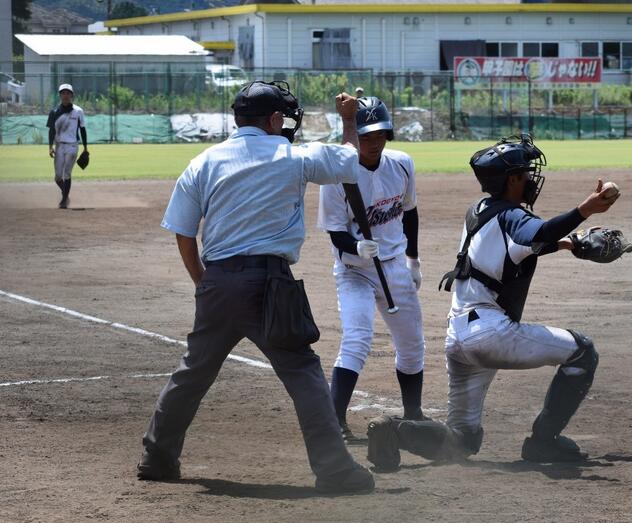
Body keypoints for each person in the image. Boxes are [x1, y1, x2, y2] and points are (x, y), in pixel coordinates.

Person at [137, 81, 374, 494]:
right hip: (270, 283)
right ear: (274, 119)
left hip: (218, 281)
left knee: (193, 372)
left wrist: (203, 282)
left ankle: (157, 458)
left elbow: (183, 232)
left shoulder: (204, 161)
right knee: (301, 370)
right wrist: (349, 120)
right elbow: (350, 160)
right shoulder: (293, 155)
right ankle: (335, 470)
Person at [366, 134, 619, 470]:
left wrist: (569, 244)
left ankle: (395, 432)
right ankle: (544, 442)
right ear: (511, 180)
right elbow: (538, 233)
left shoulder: (479, 212)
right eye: (525, 173)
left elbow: (516, 248)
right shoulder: (514, 217)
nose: (530, 178)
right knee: (582, 351)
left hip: (459, 337)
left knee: (462, 440)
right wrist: (585, 210)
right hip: (491, 333)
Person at [317, 96, 426, 442]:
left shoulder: (402, 164)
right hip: (355, 272)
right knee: (357, 339)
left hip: (394, 268)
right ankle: (334, 421)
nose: (374, 142)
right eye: (366, 136)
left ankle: (414, 416)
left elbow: (409, 212)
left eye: (380, 134)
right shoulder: (337, 177)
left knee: (412, 345)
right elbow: (335, 232)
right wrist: (355, 247)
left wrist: (413, 260)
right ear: (356, 136)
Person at [46, 83, 88, 209]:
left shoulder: (78, 111)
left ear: (72, 95)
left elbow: (82, 129)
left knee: (67, 173)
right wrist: (50, 147)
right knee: (58, 177)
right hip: (59, 146)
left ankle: (64, 200)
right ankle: (65, 194)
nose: (65, 95)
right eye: (63, 93)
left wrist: (85, 148)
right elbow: (51, 131)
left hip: (72, 146)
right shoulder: (54, 112)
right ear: (60, 95)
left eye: (68, 93)